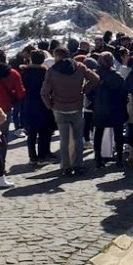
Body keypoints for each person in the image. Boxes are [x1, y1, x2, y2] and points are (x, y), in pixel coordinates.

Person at [41, 47, 99, 176]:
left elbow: (44, 93)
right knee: (78, 138)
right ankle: (78, 165)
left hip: (59, 108)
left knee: (64, 140)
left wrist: (50, 105)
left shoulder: (52, 71)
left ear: (57, 56)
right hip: (77, 106)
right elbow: (95, 79)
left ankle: (66, 167)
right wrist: (84, 89)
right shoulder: (80, 67)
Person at [0, 50, 24, 188]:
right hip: (5, 109)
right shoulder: (13, 73)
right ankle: (1, 167)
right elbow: (20, 93)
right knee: (3, 139)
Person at [20, 51, 55, 165]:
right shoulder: (45, 73)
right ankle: (42, 156)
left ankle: (32, 157)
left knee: (31, 132)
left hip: (29, 103)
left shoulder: (24, 72)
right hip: (43, 103)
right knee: (44, 131)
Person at [92, 52, 126, 168]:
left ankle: (98, 158)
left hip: (101, 107)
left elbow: (90, 92)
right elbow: (124, 93)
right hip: (116, 107)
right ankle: (119, 158)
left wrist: (95, 101)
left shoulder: (95, 75)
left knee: (98, 133)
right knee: (118, 134)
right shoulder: (118, 76)